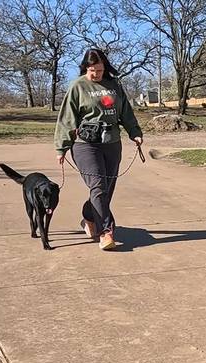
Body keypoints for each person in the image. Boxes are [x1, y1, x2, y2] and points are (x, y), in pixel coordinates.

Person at [54, 48, 143, 251]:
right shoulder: (77, 86)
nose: (96, 74)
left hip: (112, 143)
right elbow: (67, 118)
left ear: (105, 68)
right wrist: (61, 147)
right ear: (86, 67)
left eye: (100, 70)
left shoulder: (114, 85)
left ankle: (88, 216)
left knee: (105, 189)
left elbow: (126, 112)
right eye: (92, 70)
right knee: (98, 186)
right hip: (86, 144)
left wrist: (134, 132)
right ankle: (106, 232)